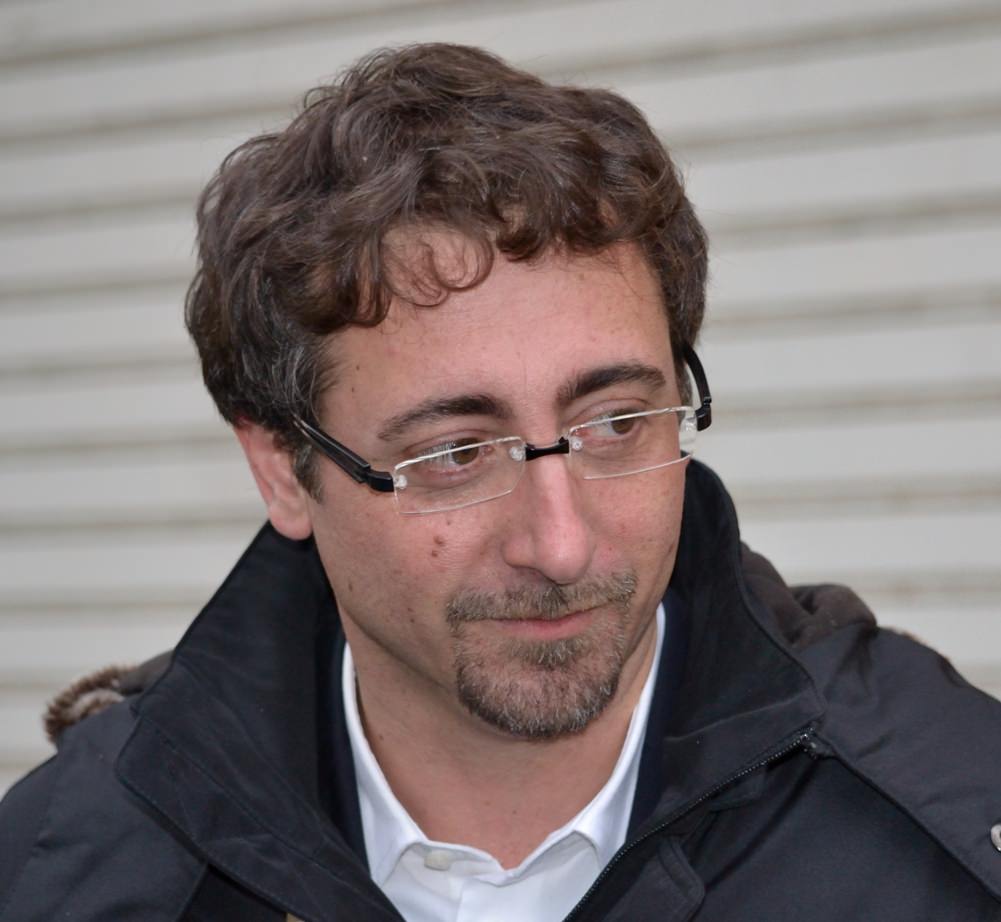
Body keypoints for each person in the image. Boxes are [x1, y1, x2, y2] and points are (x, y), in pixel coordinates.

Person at [1, 42, 999, 922]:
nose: (559, 544)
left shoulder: (952, 827)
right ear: (282, 471)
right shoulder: (71, 868)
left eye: (614, 424)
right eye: (454, 453)